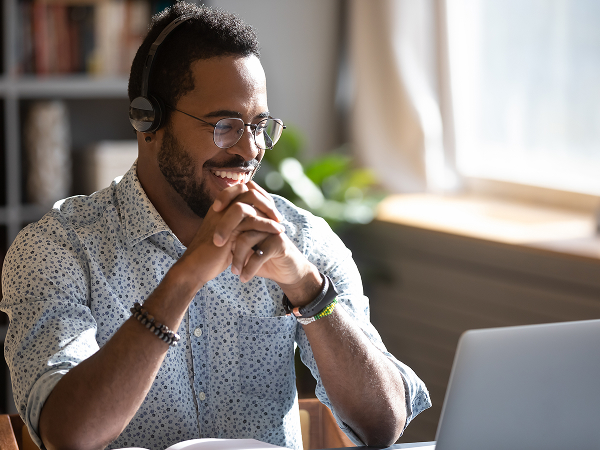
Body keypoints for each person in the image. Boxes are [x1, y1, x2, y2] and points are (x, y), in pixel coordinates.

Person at [1, 3, 431, 450]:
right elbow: (68, 436)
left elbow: (383, 427)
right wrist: (184, 279)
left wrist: (307, 288)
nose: (250, 150)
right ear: (148, 121)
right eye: (224, 125)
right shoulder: (56, 248)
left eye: (259, 125)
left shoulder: (300, 239)